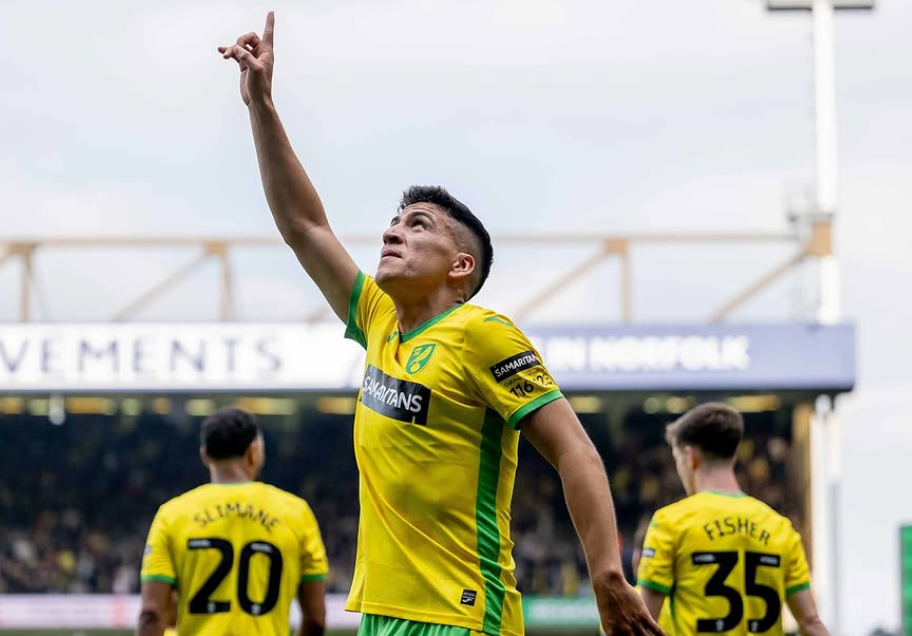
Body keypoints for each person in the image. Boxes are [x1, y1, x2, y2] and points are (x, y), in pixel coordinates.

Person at [218, 12, 664, 636]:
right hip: (382, 615)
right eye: (393, 221)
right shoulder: (378, 320)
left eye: (417, 224)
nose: (392, 231)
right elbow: (304, 227)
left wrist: (607, 575)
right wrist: (261, 106)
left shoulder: (482, 333)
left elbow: (573, 449)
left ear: (460, 266)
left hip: (463, 615)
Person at [637, 403, 830, 636]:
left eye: (677, 460)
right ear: (734, 456)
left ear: (690, 457)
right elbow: (811, 622)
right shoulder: (780, 528)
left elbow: (643, 625)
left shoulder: (670, 523)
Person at [137, 407, 328, 636]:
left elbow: (152, 615)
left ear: (205, 455)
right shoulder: (296, 513)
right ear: (254, 453)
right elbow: (315, 620)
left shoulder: (172, 516)